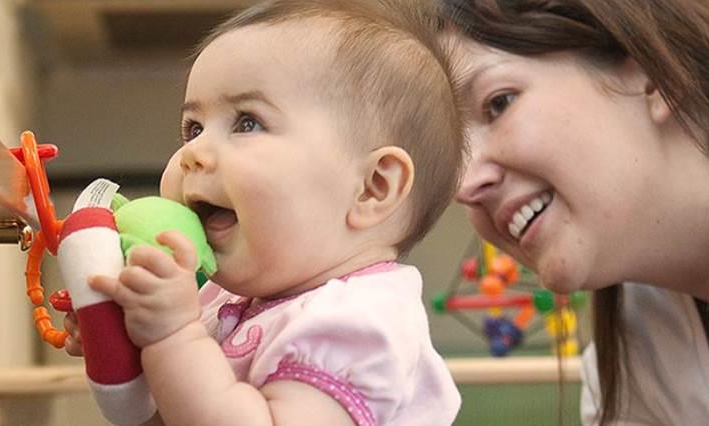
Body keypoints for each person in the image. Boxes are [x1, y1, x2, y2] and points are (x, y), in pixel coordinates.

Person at [64, 0, 465, 424]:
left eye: (247, 123)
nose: (193, 153)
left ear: (372, 188)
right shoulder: (222, 299)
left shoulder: (357, 324)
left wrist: (172, 335)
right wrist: (126, 343)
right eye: (193, 128)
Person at [440, 0, 709, 424]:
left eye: (499, 103)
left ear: (654, 75)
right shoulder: (626, 380)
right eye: (452, 156)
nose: (463, 186)